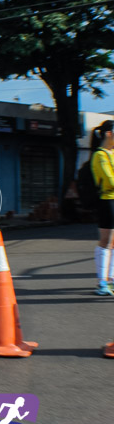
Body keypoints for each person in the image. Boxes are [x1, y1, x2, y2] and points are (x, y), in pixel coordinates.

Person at [90, 119, 114, 296]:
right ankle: (102, 282)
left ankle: (111, 279)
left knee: (113, 242)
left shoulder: (112, 154)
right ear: (108, 134)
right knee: (106, 241)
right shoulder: (100, 155)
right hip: (107, 200)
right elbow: (110, 181)